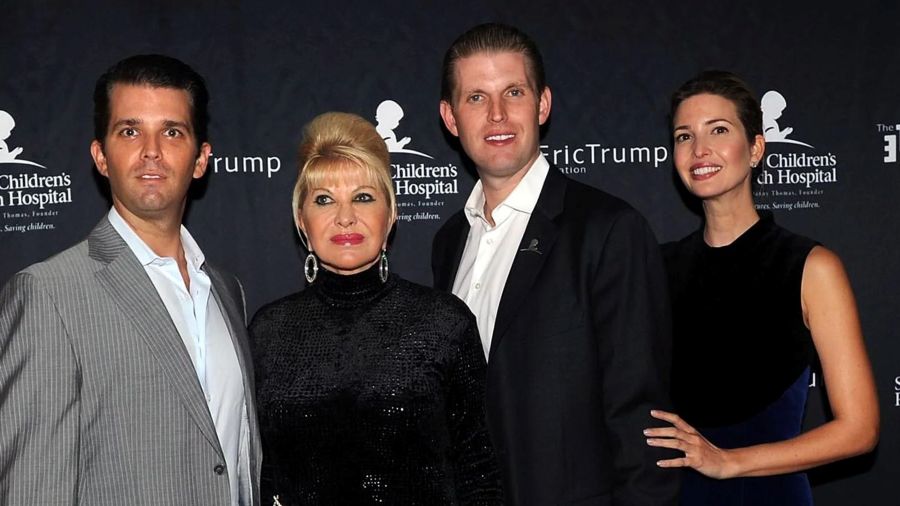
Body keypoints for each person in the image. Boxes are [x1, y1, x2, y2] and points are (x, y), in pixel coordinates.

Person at [432, 23, 678, 505]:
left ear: (542, 105)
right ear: (450, 117)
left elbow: (642, 424)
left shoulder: (609, 231)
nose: (497, 114)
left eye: (514, 92)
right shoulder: (449, 242)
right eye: (476, 98)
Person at [0, 54, 261, 505]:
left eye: (172, 132)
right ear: (101, 157)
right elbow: (32, 490)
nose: (151, 150)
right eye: (130, 131)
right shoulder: (48, 294)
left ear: (201, 159)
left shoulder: (225, 290)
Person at [645, 70, 879, 505]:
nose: (699, 149)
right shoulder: (655, 267)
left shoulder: (810, 267)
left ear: (755, 148)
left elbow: (859, 429)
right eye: (684, 136)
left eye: (718, 129)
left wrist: (728, 461)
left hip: (768, 493)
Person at [249, 112, 502, 505]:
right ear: (302, 221)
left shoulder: (444, 323)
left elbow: (480, 472)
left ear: (391, 214)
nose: (345, 217)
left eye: (363, 197)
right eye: (324, 200)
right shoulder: (268, 331)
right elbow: (263, 476)